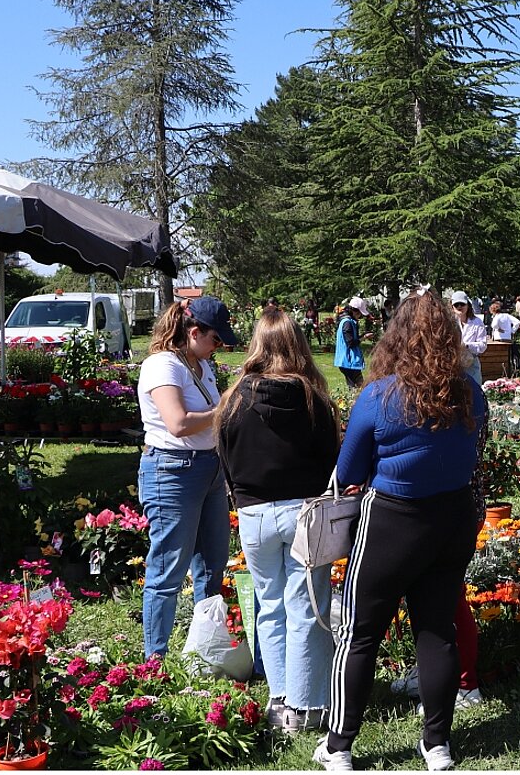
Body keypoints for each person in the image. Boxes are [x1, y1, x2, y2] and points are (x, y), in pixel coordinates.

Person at [316, 293, 488, 772]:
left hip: (392, 519)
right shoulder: (471, 393)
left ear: (396, 338)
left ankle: (339, 746)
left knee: (359, 634)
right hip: (451, 520)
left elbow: (348, 468)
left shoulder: (380, 395)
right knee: (437, 631)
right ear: (450, 338)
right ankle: (437, 745)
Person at [216, 307, 339, 734]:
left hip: (253, 513)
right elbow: (332, 460)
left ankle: (280, 699)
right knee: (306, 605)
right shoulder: (312, 398)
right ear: (297, 343)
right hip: (304, 510)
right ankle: (306, 707)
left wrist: (242, 494)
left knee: (269, 606)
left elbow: (225, 454)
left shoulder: (234, 397)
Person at [135, 296, 238, 659]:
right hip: (172, 472)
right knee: (168, 570)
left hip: (207, 470)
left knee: (212, 564)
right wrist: (225, 405)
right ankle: (155, 660)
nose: (218, 347)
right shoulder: (162, 366)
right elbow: (178, 423)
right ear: (193, 332)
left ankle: (204, 651)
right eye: (214, 339)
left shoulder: (198, 364)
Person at [451, 291, 488, 386]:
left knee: (474, 393)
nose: (459, 307)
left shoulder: (477, 322)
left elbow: (482, 346)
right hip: (453, 365)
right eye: (456, 304)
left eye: (462, 304)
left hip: (471, 363)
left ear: (468, 305)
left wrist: (467, 345)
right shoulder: (449, 323)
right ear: (452, 307)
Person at [335, 297, 370, 388]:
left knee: (358, 386)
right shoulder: (347, 323)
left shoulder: (349, 321)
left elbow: (352, 338)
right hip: (348, 361)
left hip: (347, 362)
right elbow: (350, 343)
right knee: (356, 387)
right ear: (355, 311)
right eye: (360, 314)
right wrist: (364, 338)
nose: (360, 316)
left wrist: (362, 336)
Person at [488, 299, 520, 375]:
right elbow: (517, 322)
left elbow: (493, 325)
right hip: (508, 337)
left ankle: (501, 370)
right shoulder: (507, 315)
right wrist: (512, 331)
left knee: (500, 355)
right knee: (508, 355)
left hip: (499, 338)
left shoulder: (496, 317)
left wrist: (498, 328)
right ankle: (510, 369)